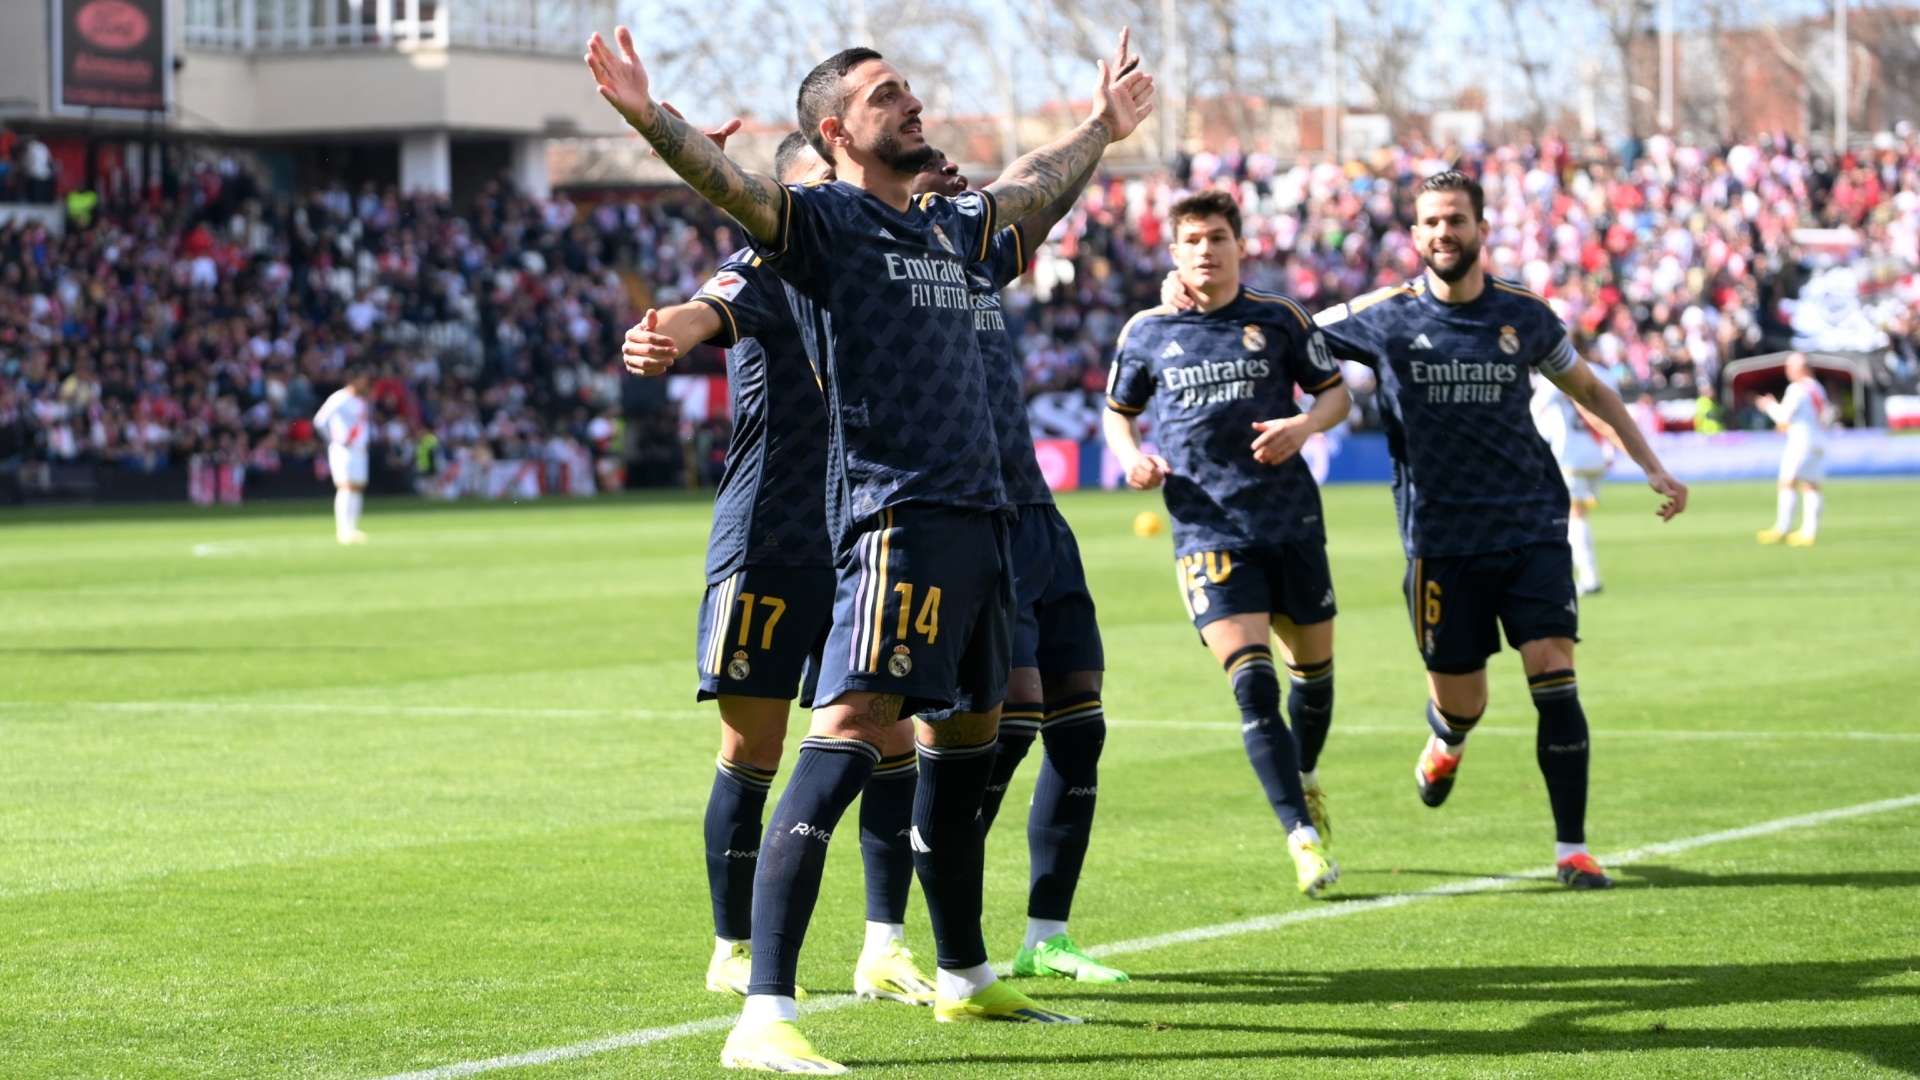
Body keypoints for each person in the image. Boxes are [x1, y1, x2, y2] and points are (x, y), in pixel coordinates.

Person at [585, 25, 1154, 1073]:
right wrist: (647, 117)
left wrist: (1102, 128)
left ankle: (964, 975)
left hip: (987, 524)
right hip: (896, 520)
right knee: (847, 727)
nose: (914, 104)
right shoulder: (826, 225)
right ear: (839, 131)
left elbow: (1033, 187)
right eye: (889, 95)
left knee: (967, 744)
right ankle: (760, 1008)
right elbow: (732, 197)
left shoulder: (953, 230)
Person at [620, 131, 936, 1009]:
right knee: (750, 748)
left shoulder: (882, 264)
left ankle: (885, 945)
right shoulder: (761, 267)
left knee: (888, 733)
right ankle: (731, 945)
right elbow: (695, 312)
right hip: (767, 536)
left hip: (861, 536)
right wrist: (666, 336)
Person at [1312, 170, 1689, 890]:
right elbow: (1291, 329)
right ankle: (1447, 739)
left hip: (1531, 526)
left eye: (1455, 219)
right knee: (1465, 702)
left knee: (1555, 672)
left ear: (1480, 228)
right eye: (1430, 221)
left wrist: (1652, 465)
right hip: (1440, 543)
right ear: (1415, 234)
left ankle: (1571, 849)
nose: (1443, 232)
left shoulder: (1525, 315)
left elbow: (1590, 389)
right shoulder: (1383, 316)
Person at [909, 127, 1125, 984]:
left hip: (1037, 508)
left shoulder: (974, 256)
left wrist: (1103, 128)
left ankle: (1047, 935)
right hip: (974, 518)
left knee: (1082, 716)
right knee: (1010, 717)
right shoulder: (888, 263)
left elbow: (1044, 197)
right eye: (934, 161)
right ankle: (926, 894)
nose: (954, 167)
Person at [1107, 190, 1349, 899]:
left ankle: (1303, 779)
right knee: (1252, 682)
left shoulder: (1280, 320)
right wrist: (1132, 458)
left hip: (1291, 522)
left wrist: (1303, 428)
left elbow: (1336, 396)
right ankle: (1300, 836)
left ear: (1239, 245)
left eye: (1217, 236)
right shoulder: (1147, 331)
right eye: (1192, 240)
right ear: (1175, 253)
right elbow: (1119, 413)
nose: (1206, 249)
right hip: (1207, 530)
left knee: (1315, 680)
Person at [1531, 371, 1614, 595]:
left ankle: (1589, 579)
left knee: (1574, 516)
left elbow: (1535, 410)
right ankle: (1586, 575)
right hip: (1596, 453)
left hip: (1570, 455)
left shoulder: (1551, 379)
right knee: (1579, 514)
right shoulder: (1598, 372)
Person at [1756, 352, 1832, 547]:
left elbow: (1783, 416)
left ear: (1801, 368)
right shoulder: (1817, 387)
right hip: (1818, 440)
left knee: (1787, 483)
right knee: (1811, 485)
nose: (1787, 371)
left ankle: (1783, 528)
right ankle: (1809, 532)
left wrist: (1769, 406)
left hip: (1801, 441)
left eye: (1790, 367)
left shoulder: (1797, 388)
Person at [312, 368, 371, 544]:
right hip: (343, 449)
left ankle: (353, 528)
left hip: (360, 450)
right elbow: (320, 420)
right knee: (345, 487)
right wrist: (333, 439)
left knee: (357, 488)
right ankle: (343, 530)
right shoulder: (340, 398)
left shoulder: (361, 401)